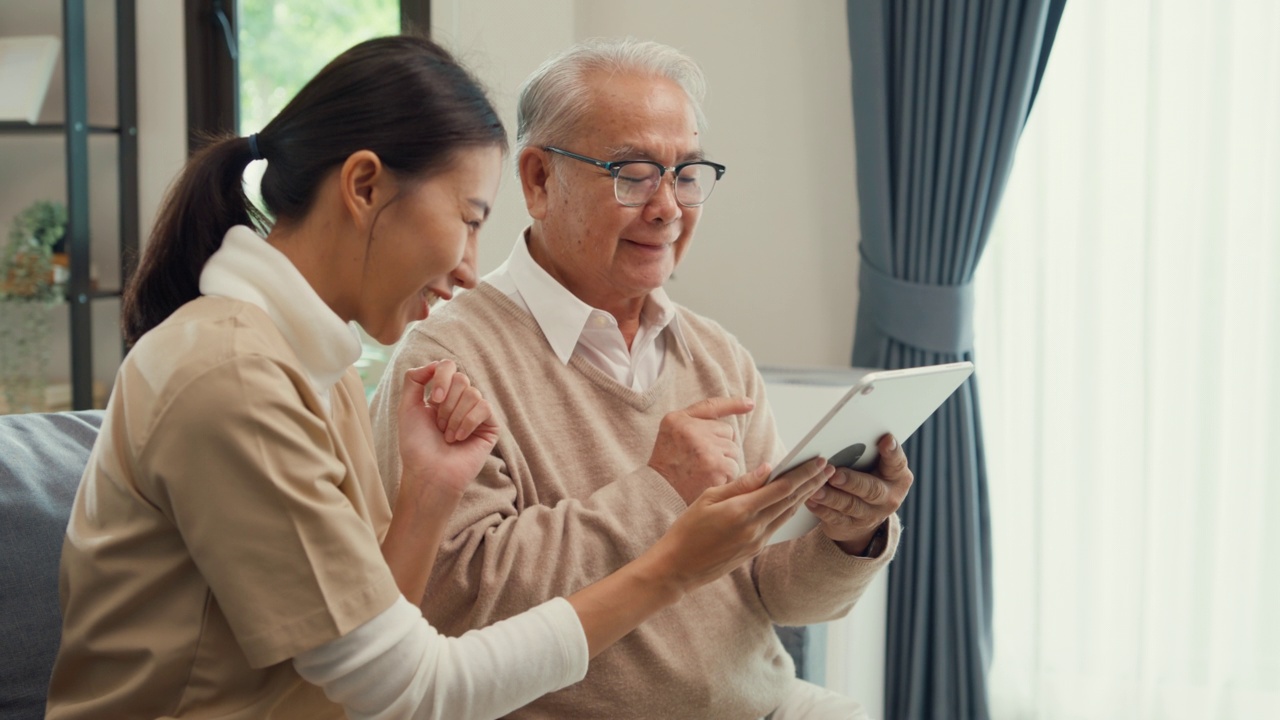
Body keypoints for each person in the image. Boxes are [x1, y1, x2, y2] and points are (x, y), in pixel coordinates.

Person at [44, 35, 833, 720]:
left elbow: (372, 638)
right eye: (469, 219)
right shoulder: (234, 376)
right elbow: (405, 688)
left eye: (686, 173)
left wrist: (426, 491)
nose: (467, 269)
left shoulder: (311, 365)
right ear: (363, 187)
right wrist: (667, 565)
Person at [368, 38, 915, 720]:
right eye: (633, 172)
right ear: (539, 180)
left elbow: (781, 594)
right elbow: (452, 603)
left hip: (766, 704)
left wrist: (849, 536)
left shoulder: (718, 354)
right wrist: (657, 493)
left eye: (687, 174)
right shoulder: (448, 360)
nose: (669, 207)